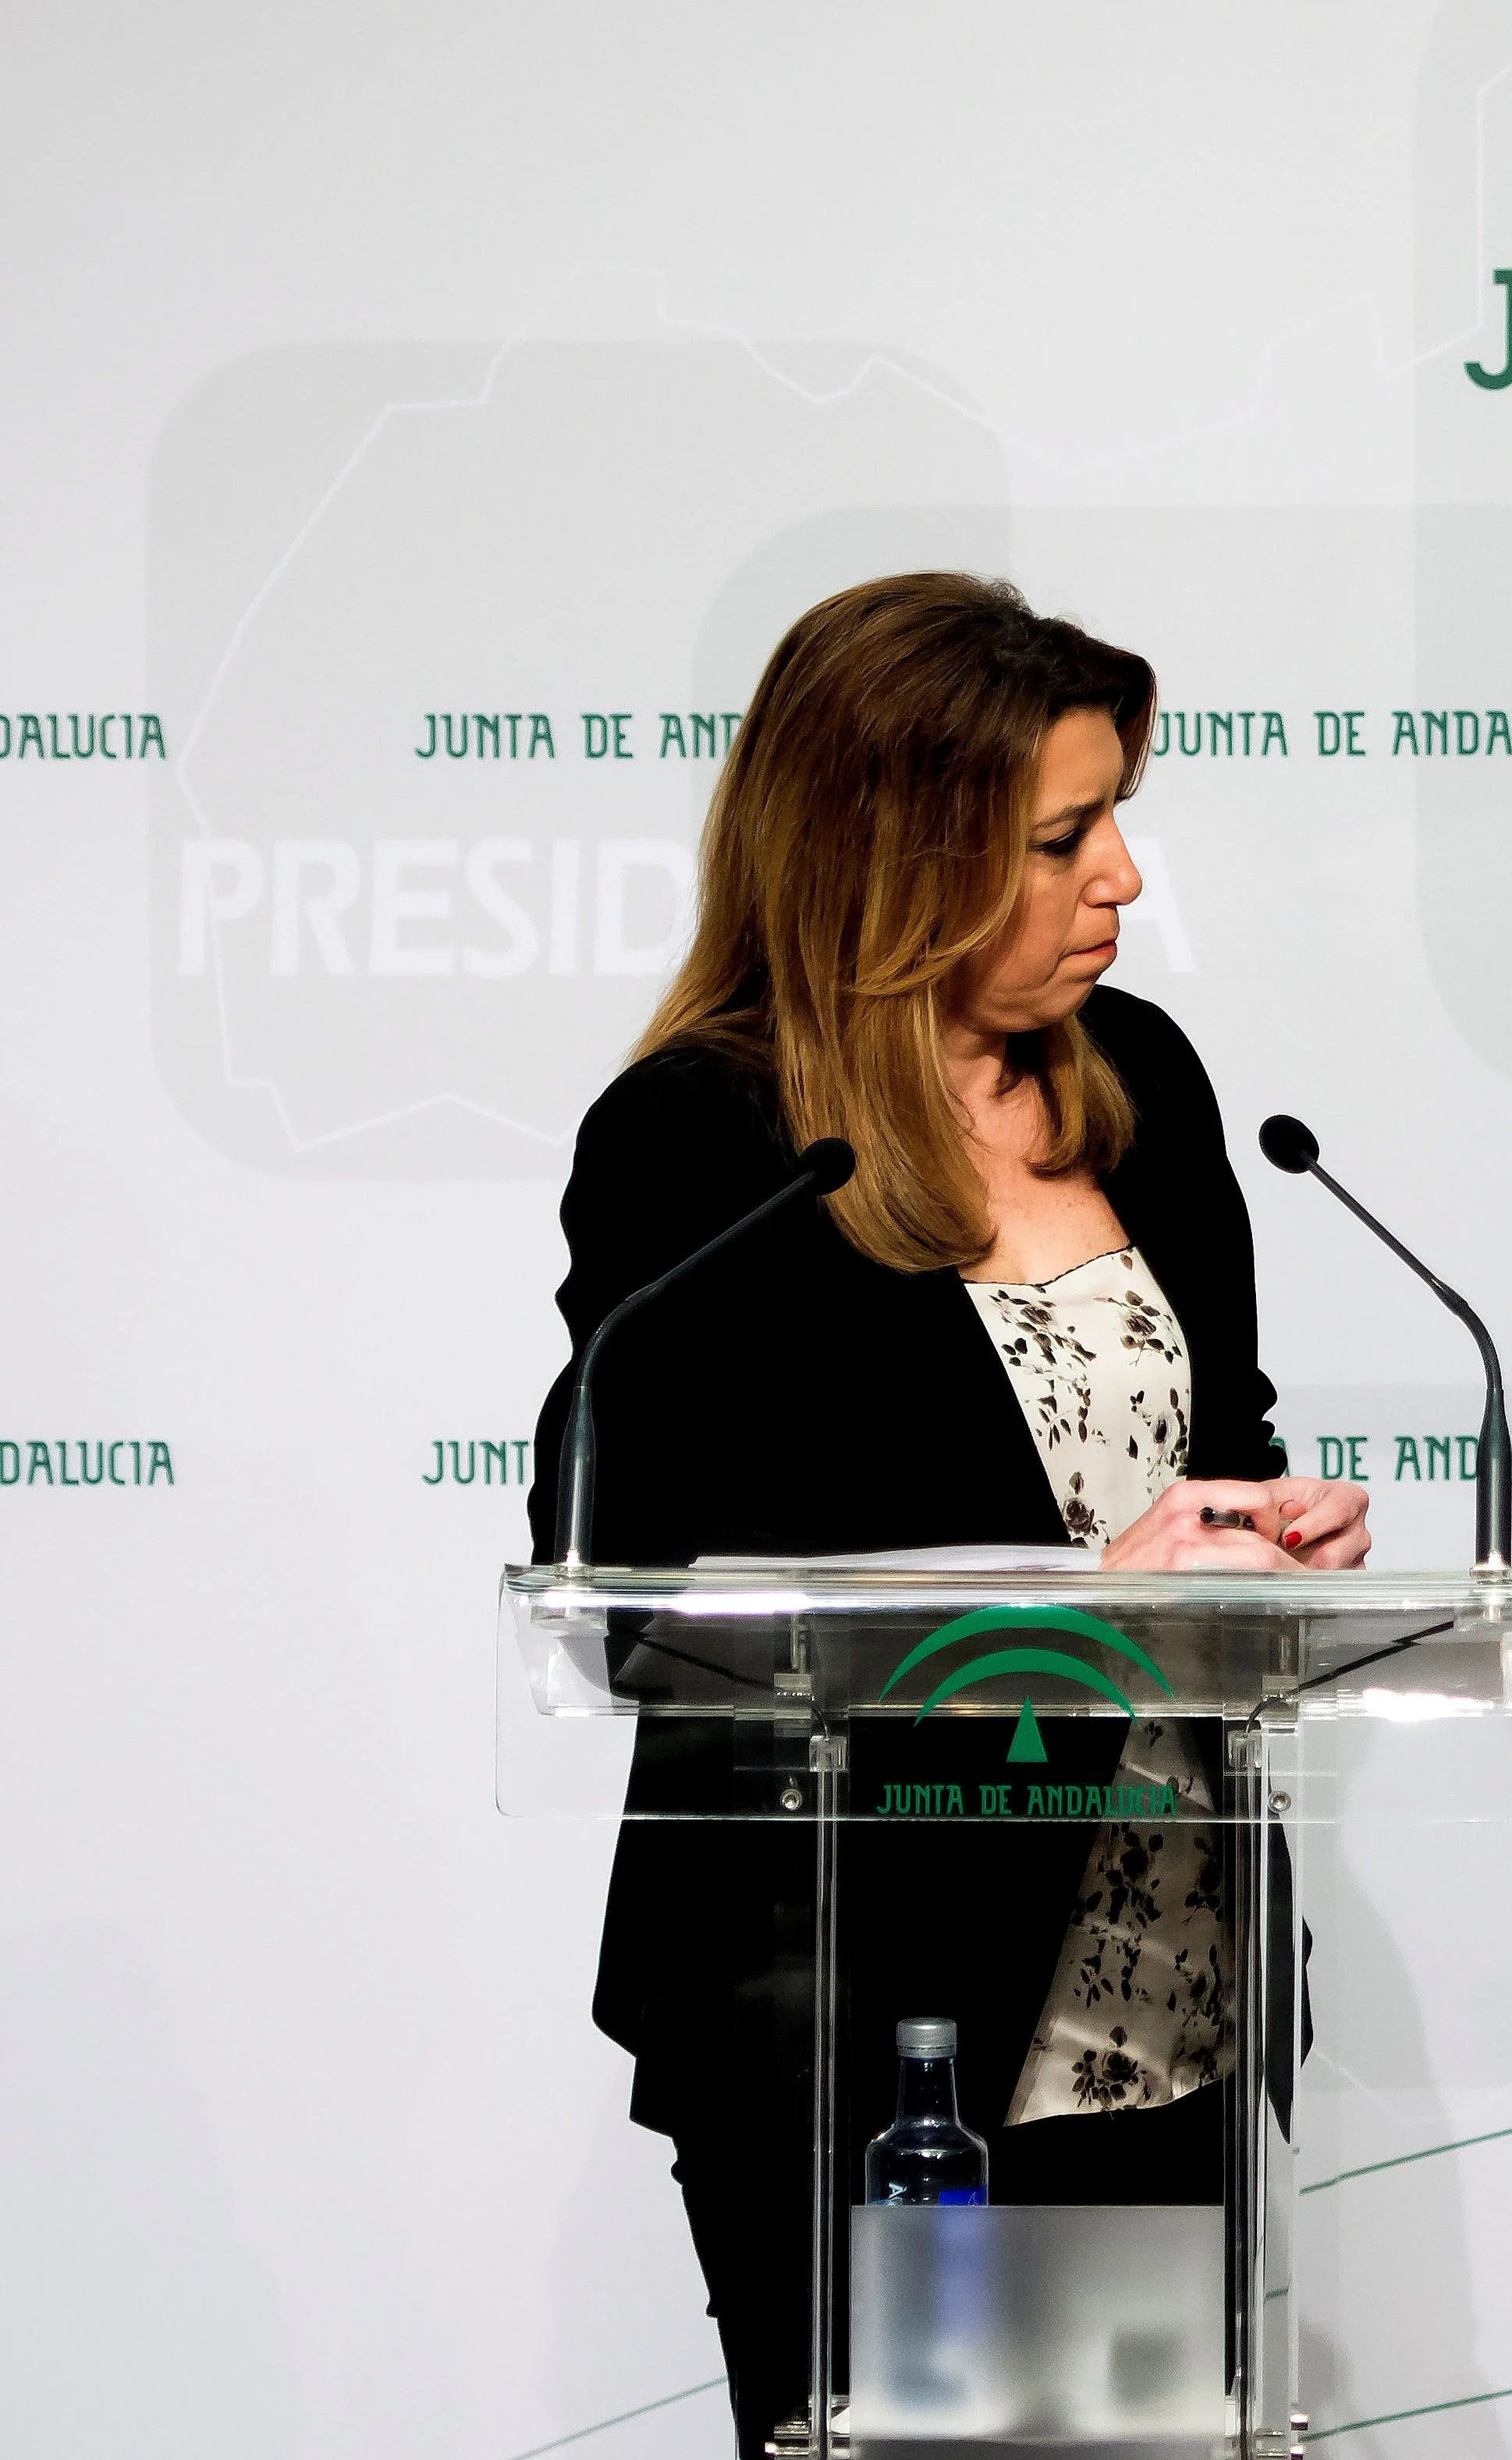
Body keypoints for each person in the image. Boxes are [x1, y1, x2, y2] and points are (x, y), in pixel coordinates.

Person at [521, 573, 1371, 2451]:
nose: (1125, 877)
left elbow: (1204, 1437)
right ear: (895, 852)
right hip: (874, 1991)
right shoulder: (710, 1143)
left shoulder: (1139, 1078)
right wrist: (1081, 1590)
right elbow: (640, 1565)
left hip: (1164, 1979)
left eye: (1117, 818)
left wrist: (1255, 1533)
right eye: (1066, 835)